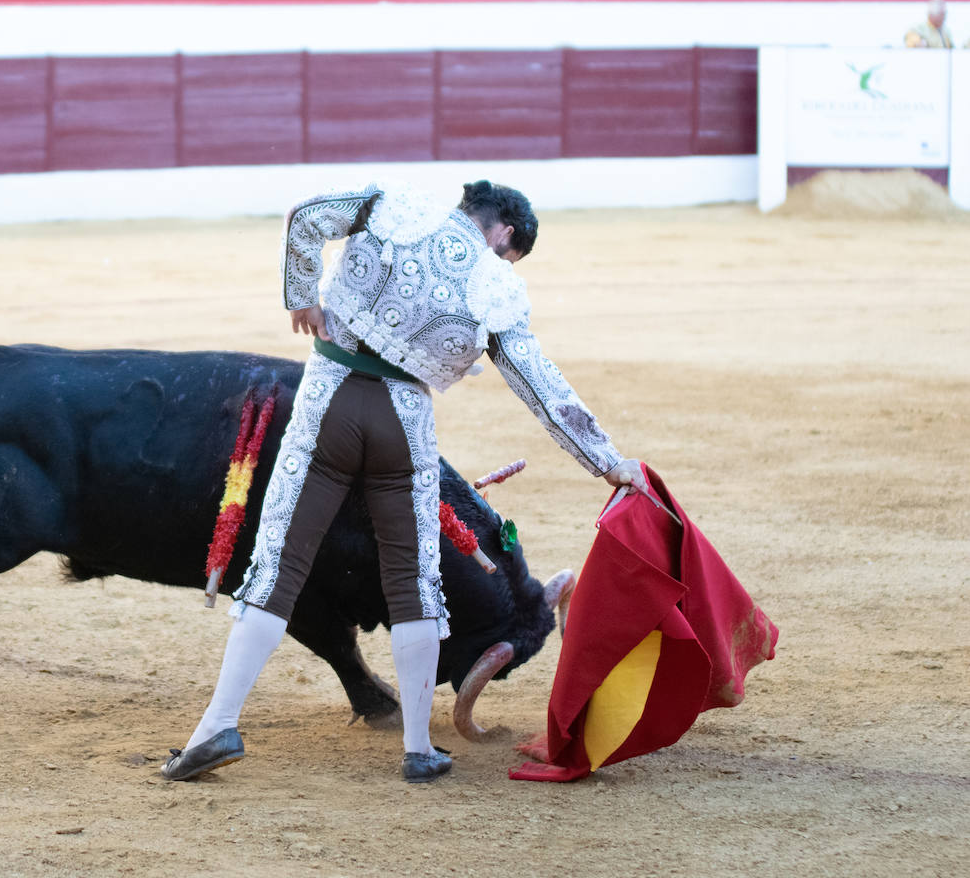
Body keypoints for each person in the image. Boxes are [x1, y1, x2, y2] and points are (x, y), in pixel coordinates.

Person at [160, 180, 646, 784]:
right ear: (506, 235)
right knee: (413, 578)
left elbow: (304, 217)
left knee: (278, 565)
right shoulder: (498, 284)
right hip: (403, 420)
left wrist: (301, 298)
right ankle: (419, 748)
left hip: (328, 398)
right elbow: (540, 386)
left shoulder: (392, 206)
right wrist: (609, 462)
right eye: (509, 255)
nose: (502, 262)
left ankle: (217, 727)